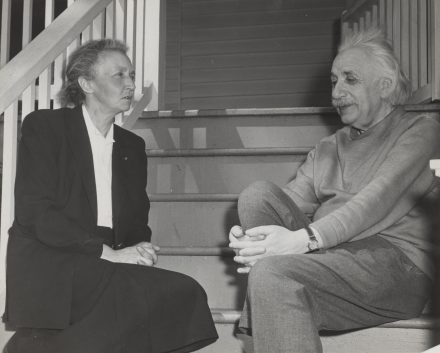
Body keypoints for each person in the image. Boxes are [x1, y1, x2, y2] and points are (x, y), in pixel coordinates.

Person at [229, 28, 440, 353]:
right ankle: (273, 307)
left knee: (272, 275)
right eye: (334, 81)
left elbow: (378, 200)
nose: (336, 92)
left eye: (350, 80)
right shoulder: (328, 148)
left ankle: (268, 312)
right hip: (335, 262)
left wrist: (304, 239)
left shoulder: (421, 131)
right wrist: (248, 240)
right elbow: (288, 203)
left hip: (397, 267)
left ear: (384, 87)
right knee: (257, 195)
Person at [4, 39, 218, 353]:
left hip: (106, 256)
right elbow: (35, 212)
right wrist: (105, 253)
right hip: (53, 254)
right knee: (135, 299)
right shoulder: (47, 127)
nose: (131, 84)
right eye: (119, 76)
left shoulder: (131, 145)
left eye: (131, 75)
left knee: (184, 292)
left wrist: (138, 248)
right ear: (86, 83)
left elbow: (136, 217)